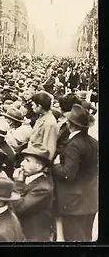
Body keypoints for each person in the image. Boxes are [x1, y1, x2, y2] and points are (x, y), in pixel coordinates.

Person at [52, 104, 98, 242]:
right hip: (90, 199)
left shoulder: (74, 145)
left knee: (74, 239)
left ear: (70, 124)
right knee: (86, 237)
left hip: (74, 202)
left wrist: (54, 166)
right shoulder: (93, 142)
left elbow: (68, 173)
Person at [11, 143, 54, 242]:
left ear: (39, 167)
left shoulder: (43, 188)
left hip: (33, 237)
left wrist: (18, 183)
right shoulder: (29, 179)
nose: (22, 164)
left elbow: (18, 209)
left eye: (27, 161)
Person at [29, 91, 59, 160]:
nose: (32, 107)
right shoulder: (42, 117)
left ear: (39, 106)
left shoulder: (49, 123)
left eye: (33, 105)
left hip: (38, 159)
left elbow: (49, 148)